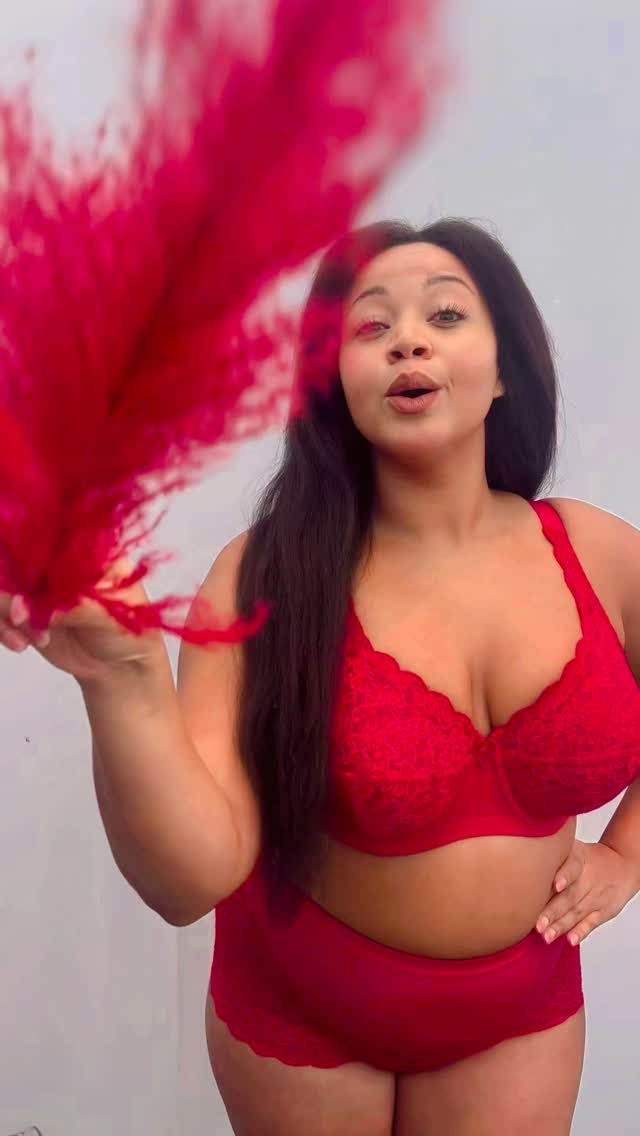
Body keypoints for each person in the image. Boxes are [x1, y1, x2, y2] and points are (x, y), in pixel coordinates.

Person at [3, 217, 640, 1135]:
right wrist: (124, 676)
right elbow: (188, 884)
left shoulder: (601, 554)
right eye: (370, 327)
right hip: (307, 1015)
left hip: (521, 1014)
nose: (408, 339)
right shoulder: (263, 577)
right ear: (334, 383)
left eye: (446, 315)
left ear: (506, 368)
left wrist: (625, 857)